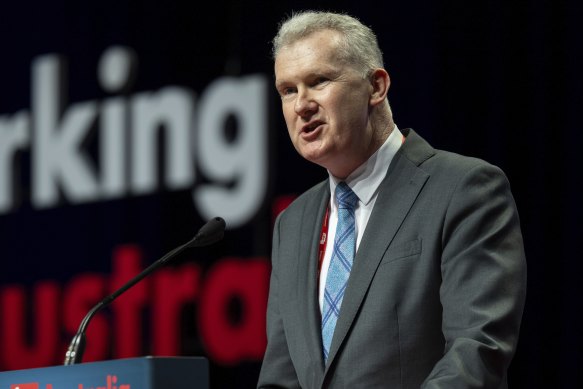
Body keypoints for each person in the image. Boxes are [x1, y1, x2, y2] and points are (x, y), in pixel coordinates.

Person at [258, 10, 527, 389]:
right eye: (288, 90)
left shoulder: (464, 189)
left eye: (318, 81)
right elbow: (280, 377)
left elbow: (476, 351)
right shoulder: (293, 223)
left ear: (376, 86)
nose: (301, 104)